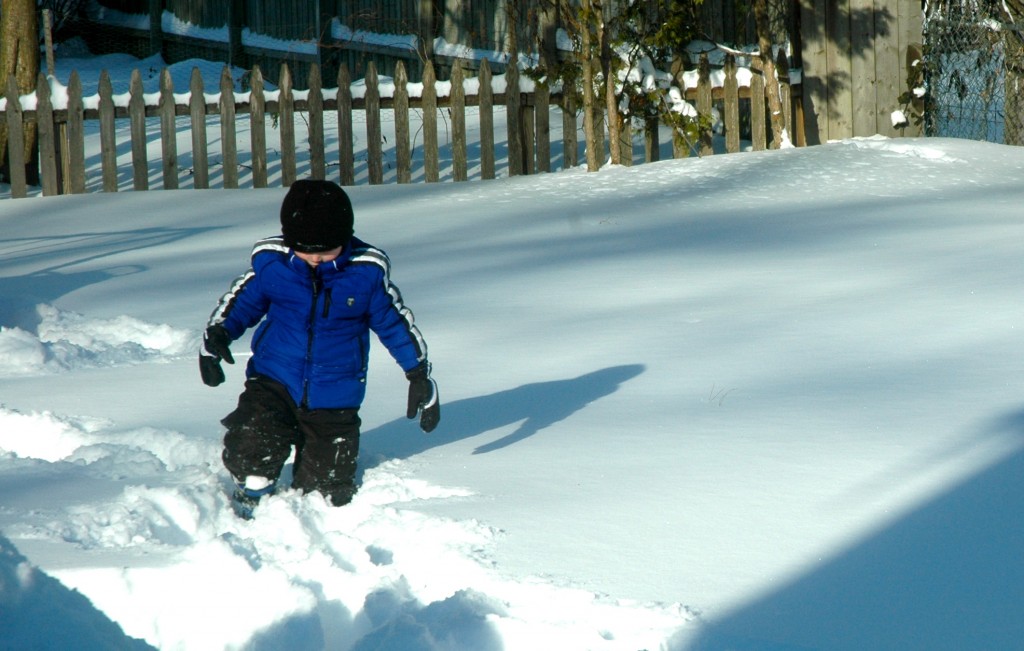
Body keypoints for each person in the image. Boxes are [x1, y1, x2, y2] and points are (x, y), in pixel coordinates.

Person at [199, 179, 440, 517]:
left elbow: (395, 324)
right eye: (305, 248)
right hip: (274, 381)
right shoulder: (273, 266)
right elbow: (242, 302)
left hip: (336, 395)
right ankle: (253, 493)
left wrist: (417, 373)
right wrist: (219, 335)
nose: (315, 258)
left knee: (326, 495)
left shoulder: (365, 275)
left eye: (326, 250)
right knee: (252, 446)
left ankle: (312, 509)